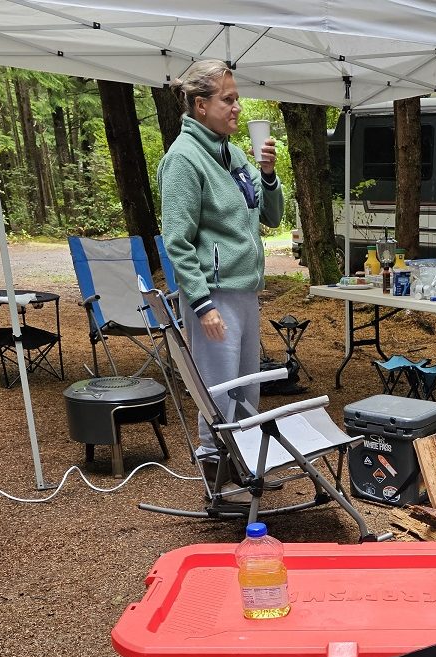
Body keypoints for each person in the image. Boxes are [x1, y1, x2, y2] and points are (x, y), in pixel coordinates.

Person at [158, 60, 284, 480]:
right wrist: (201, 303)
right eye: (228, 100)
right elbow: (177, 241)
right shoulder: (185, 159)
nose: (237, 108)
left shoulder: (230, 154)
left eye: (237, 98)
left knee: (247, 389)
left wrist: (267, 175)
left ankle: (244, 468)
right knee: (219, 390)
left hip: (244, 290)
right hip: (214, 295)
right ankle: (216, 473)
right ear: (200, 105)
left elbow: (271, 217)